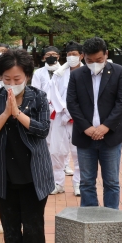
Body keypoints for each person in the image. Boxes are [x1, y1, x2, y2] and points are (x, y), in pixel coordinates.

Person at [0, 49, 54, 243]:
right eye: (6, 79)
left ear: (27, 77)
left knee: (33, 228)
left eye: (17, 79)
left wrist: (19, 114)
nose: (11, 83)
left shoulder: (39, 96)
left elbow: (42, 130)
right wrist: (6, 113)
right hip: (5, 174)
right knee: (11, 229)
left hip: (34, 173)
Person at [66, 37, 122, 209]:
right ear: (83, 57)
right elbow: (72, 103)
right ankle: (89, 216)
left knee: (111, 181)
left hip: (110, 137)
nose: (94, 64)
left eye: (99, 60)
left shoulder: (118, 72)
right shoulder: (77, 75)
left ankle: (111, 218)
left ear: (106, 54)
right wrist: (86, 127)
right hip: (85, 137)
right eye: (89, 60)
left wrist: (105, 126)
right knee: (86, 181)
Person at [48, 42, 83, 195]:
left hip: (80, 118)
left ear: (81, 55)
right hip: (60, 116)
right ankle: (58, 183)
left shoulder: (87, 72)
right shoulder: (59, 73)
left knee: (79, 152)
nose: (71, 57)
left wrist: (74, 112)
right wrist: (64, 109)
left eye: (74, 54)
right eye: (69, 54)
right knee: (56, 150)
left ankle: (79, 184)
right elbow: (53, 93)